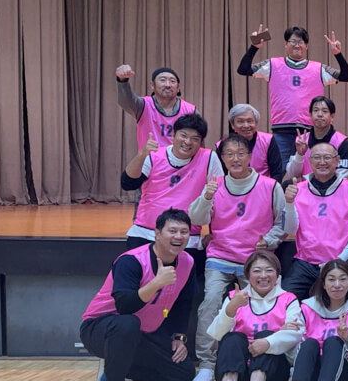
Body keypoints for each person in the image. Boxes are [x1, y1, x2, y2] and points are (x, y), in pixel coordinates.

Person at [188, 134, 285, 381]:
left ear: (250, 156)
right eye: (229, 154)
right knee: (210, 302)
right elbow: (196, 219)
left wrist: (269, 239)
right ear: (222, 158)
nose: (235, 158)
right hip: (220, 256)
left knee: (259, 307)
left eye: (241, 153)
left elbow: (283, 223)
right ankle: (207, 363)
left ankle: (255, 357)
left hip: (255, 260)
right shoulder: (215, 185)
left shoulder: (270, 186)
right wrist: (206, 197)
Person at [80, 209, 198, 381]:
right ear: (157, 233)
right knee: (128, 323)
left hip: (144, 332)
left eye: (184, 232)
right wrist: (156, 283)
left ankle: (114, 367)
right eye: (172, 231)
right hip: (101, 328)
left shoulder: (187, 262)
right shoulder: (131, 261)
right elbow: (124, 306)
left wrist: (179, 337)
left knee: (184, 373)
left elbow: (183, 303)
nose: (178, 237)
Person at [206, 250, 300, 381]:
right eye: (257, 271)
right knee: (233, 338)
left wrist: (268, 342)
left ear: (277, 274)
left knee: (266, 336)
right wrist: (231, 309)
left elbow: (296, 333)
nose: (263, 276)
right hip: (236, 375)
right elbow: (216, 333)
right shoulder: (235, 297)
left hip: (271, 378)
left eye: (269, 270)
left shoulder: (288, 299)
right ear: (248, 275)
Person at [237, 25, 348, 162]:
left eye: (301, 42)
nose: (297, 45)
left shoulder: (319, 69)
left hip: (311, 132)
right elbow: (243, 69)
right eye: (293, 41)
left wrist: (337, 54)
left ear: (307, 46)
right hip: (282, 132)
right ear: (286, 44)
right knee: (281, 170)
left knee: (311, 169)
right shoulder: (272, 65)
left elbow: (346, 76)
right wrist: (254, 47)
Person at [120, 113, 224, 254]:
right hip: (147, 233)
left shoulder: (209, 157)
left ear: (201, 142)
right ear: (173, 136)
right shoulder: (154, 155)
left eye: (195, 139)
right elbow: (127, 184)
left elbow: (221, 198)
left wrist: (214, 234)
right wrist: (142, 154)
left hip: (187, 237)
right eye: (183, 135)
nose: (188, 142)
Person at [282, 142, 348, 300]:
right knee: (285, 301)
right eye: (317, 157)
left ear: (337, 160)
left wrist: (341, 259)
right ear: (309, 161)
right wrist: (289, 203)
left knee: (344, 306)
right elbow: (289, 229)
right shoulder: (298, 189)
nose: (322, 162)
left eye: (327, 157)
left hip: (340, 262)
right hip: (305, 263)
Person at [114, 65, 196, 150]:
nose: (168, 85)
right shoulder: (143, 105)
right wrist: (123, 81)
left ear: (178, 88)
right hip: (150, 158)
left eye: (172, 81)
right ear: (152, 85)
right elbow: (126, 101)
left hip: (180, 158)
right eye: (162, 80)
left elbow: (197, 141)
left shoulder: (191, 110)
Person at [287, 96, 348, 181]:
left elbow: (345, 174)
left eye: (324, 111)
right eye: (316, 110)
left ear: (332, 116)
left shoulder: (342, 141)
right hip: (307, 187)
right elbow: (292, 174)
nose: (319, 114)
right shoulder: (300, 141)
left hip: (335, 188)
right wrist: (300, 155)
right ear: (310, 115)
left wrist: (321, 187)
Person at [221, 103, 284, 179]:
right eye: (240, 122)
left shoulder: (268, 140)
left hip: (263, 185)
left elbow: (277, 172)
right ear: (232, 125)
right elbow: (221, 174)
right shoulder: (223, 145)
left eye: (249, 121)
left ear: (256, 123)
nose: (246, 125)